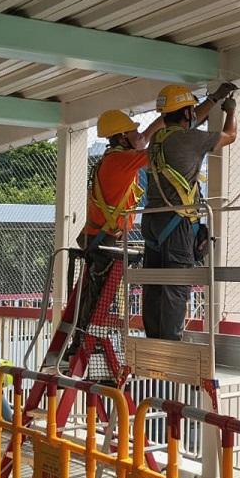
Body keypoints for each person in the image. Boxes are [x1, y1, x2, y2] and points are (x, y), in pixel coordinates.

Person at [142, 81, 238, 341]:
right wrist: (230, 110)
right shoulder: (190, 139)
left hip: (152, 220)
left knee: (153, 283)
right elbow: (230, 135)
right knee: (175, 284)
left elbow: (191, 122)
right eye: (190, 111)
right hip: (177, 222)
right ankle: (170, 346)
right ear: (185, 113)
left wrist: (215, 98)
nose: (193, 114)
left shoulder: (157, 141)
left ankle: (153, 340)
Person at [68, 109, 164, 352]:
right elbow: (154, 152)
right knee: (97, 299)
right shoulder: (122, 161)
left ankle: (80, 340)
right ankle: (83, 342)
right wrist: (165, 125)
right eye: (133, 132)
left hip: (99, 236)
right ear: (122, 138)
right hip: (105, 241)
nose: (139, 135)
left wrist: (158, 122)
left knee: (94, 294)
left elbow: (141, 143)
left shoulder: (112, 159)